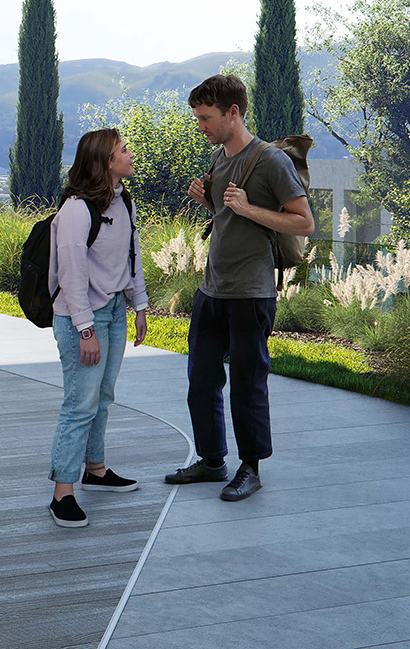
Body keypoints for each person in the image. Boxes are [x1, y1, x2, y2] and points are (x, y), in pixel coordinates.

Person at [165, 73, 312, 502]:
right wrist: (209, 203)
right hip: (212, 290)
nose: (201, 126)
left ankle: (251, 467)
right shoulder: (219, 159)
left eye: (207, 117)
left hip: (251, 293)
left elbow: (304, 222)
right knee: (201, 380)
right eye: (197, 118)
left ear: (233, 112)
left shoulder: (270, 160)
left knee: (248, 383)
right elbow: (231, 218)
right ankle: (213, 462)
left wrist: (248, 208)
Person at [46, 128, 151, 529]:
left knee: (102, 397)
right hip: (80, 318)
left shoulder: (123, 200)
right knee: (79, 405)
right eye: (124, 150)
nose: (130, 154)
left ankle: (97, 469)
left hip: (113, 311)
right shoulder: (76, 210)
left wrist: (139, 305)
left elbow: (131, 256)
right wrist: (85, 329)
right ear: (106, 161)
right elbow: (71, 275)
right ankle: (62, 494)